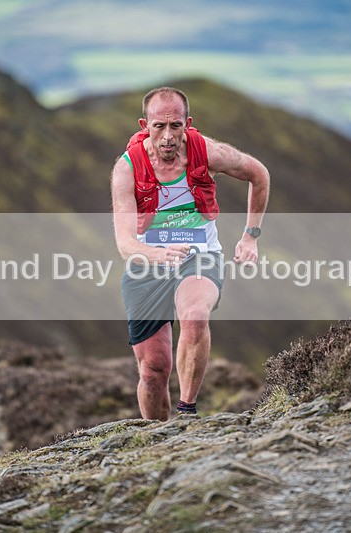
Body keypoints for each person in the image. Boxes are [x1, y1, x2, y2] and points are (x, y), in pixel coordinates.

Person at [111, 86, 270, 420]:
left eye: (175, 126)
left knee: (195, 316)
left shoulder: (207, 152)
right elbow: (125, 243)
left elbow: (259, 174)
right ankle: (157, 441)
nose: (168, 136)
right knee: (154, 370)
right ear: (145, 125)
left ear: (187, 123)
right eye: (159, 127)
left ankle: (187, 412)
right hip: (148, 263)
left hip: (201, 255)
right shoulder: (126, 169)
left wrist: (250, 236)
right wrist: (157, 255)